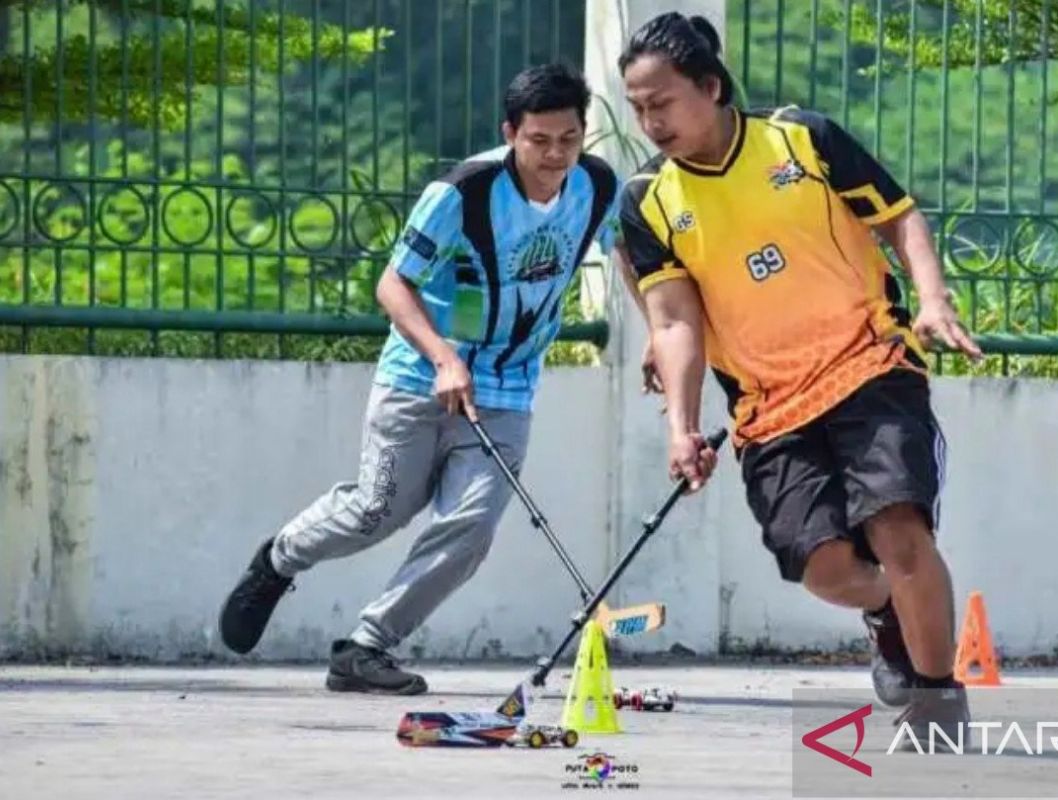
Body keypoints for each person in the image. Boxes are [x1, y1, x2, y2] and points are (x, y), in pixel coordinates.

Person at [615, 13, 984, 747]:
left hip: (870, 364)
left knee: (899, 527)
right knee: (824, 570)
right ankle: (887, 612)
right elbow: (675, 322)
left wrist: (933, 298)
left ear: (710, 86)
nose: (650, 121)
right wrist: (682, 428)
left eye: (662, 102)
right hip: (769, 406)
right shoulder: (647, 200)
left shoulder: (801, 140)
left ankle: (937, 698)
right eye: (637, 108)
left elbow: (900, 215)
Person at [218, 62, 626, 695]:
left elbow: (630, 257)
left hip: (509, 388)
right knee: (377, 511)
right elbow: (392, 283)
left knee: (471, 527)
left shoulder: (597, 188)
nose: (554, 155)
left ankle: (365, 647)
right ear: (510, 132)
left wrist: (657, 335)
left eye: (568, 139)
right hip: (419, 376)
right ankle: (280, 558)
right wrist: (443, 356)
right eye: (539, 140)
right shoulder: (461, 193)